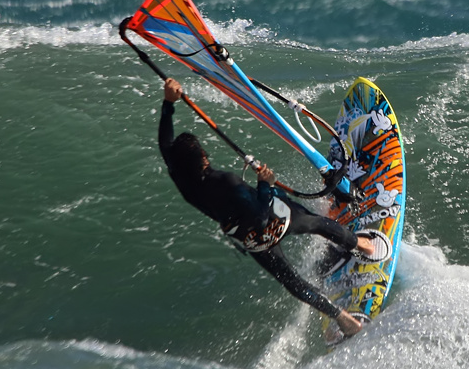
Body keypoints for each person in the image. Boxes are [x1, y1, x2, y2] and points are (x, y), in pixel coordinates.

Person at [158, 78, 391, 341]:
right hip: (269, 219)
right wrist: (265, 185)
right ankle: (363, 246)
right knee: (316, 223)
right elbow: (260, 214)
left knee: (291, 282)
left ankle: (342, 319)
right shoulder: (224, 182)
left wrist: (168, 104)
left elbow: (165, 145)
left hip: (248, 238)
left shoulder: (182, 179)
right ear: (203, 158)